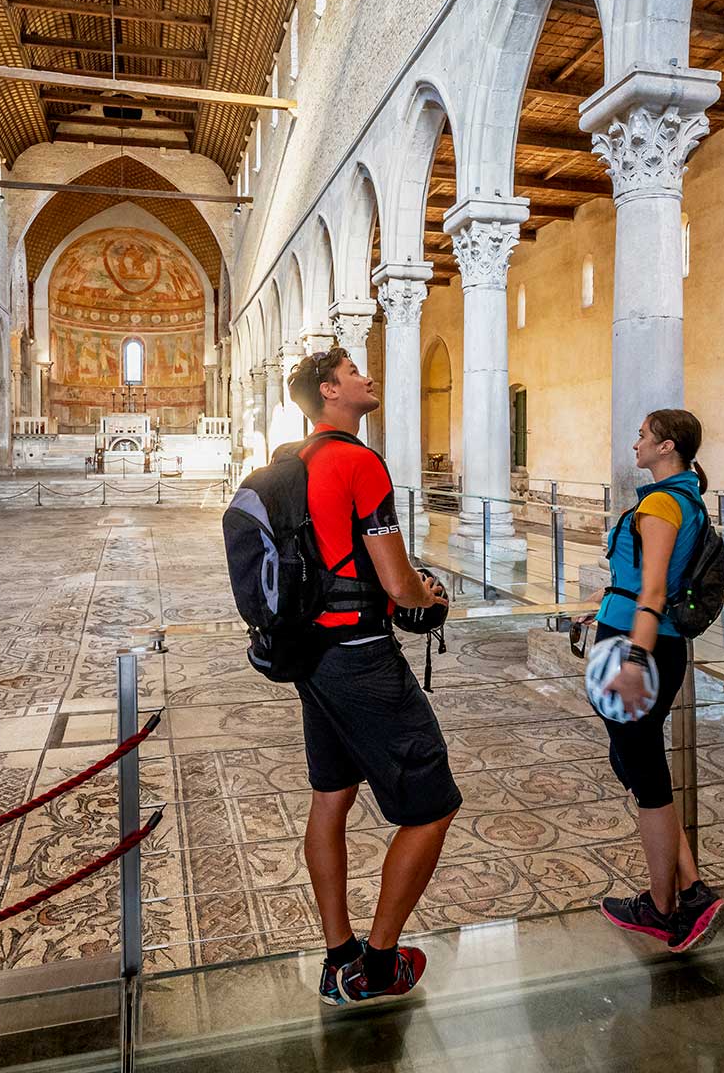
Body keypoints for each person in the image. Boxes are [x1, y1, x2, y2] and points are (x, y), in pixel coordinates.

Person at [283, 345, 460, 1006]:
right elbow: (396, 580)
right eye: (354, 372)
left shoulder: (295, 460)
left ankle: (339, 957)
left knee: (331, 797)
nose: (367, 376)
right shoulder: (359, 462)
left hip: (312, 654)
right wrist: (427, 595)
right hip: (360, 656)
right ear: (330, 391)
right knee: (433, 806)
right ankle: (377, 965)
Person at [592, 409, 724, 952]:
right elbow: (647, 582)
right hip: (653, 640)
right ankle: (689, 890)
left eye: (643, 435)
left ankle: (664, 906)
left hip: (639, 645)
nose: (636, 444)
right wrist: (605, 603)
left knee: (644, 775)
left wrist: (633, 659)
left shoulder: (660, 504)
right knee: (636, 762)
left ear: (667, 446)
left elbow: (653, 591)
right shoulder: (686, 497)